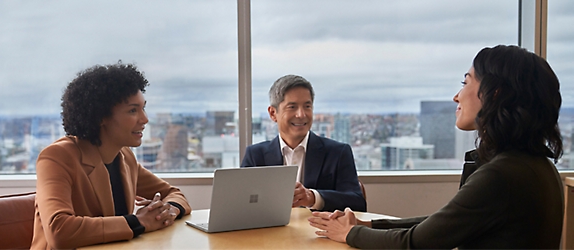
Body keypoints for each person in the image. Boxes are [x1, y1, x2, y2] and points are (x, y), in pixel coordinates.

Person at [308, 45, 564, 249]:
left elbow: (416, 243)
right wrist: (369, 226)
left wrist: (352, 234)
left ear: (494, 93)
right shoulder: (533, 165)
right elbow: (440, 224)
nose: (456, 96)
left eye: (466, 83)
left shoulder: (502, 176)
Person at [31, 63, 192, 249]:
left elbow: (173, 193)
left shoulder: (125, 156)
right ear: (101, 117)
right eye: (133, 110)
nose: (145, 119)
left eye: (143, 108)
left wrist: (168, 210)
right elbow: (59, 230)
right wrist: (138, 222)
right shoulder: (57, 157)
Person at [240, 75, 366, 212]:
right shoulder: (255, 156)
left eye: (307, 106)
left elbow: (357, 203)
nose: (301, 114)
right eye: (292, 107)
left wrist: (313, 197)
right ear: (273, 113)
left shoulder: (338, 152)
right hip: (270, 233)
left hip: (321, 233)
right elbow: (240, 206)